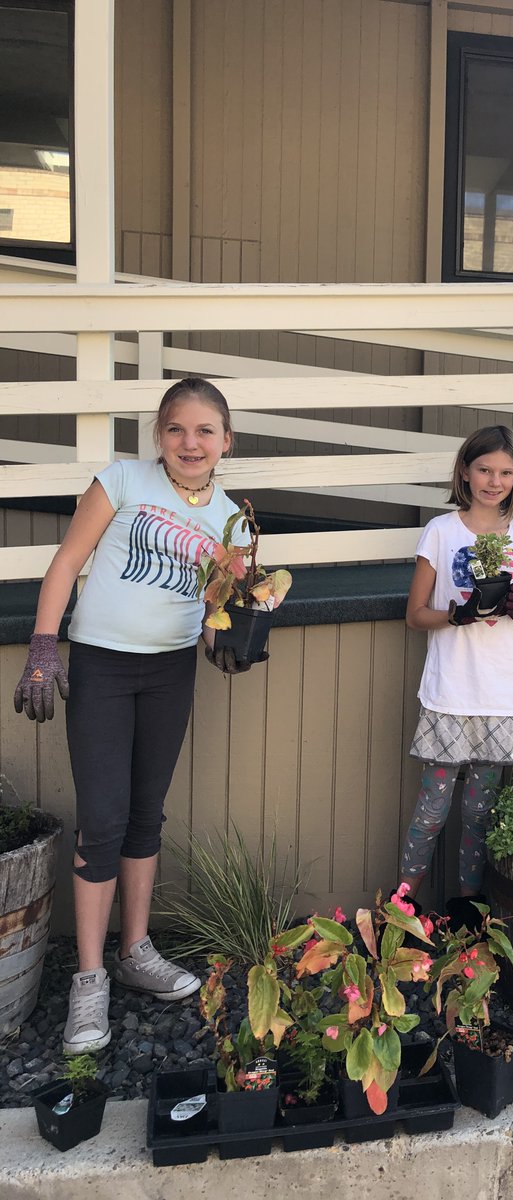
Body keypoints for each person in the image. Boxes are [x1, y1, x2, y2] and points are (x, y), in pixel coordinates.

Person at [13, 377, 251, 1054]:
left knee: (146, 813)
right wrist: (41, 647)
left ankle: (135, 950)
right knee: (104, 817)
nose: (190, 442)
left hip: (170, 671)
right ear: (159, 436)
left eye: (206, 431)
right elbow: (66, 562)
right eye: (177, 429)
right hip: (103, 667)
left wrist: (229, 646)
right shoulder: (120, 481)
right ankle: (90, 979)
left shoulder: (231, 522)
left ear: (226, 441)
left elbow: (216, 618)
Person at [398, 426, 513, 924]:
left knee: (480, 812)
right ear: (465, 471)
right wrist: (457, 614)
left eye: (506, 472)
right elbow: (415, 614)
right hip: (450, 692)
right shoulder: (442, 532)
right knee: (433, 807)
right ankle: (402, 906)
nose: (494, 481)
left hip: (501, 695)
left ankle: (469, 911)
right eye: (485, 469)